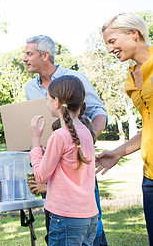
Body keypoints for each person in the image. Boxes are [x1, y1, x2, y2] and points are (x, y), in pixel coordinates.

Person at [23, 34, 108, 245]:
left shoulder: (75, 78)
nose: (24, 58)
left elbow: (41, 174)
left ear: (45, 55)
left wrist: (36, 141)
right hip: (83, 210)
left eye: (28, 53)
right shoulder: (29, 87)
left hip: (66, 210)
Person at [97, 12, 153, 244]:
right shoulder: (132, 76)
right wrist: (119, 152)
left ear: (134, 33)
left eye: (112, 41)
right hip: (150, 176)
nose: (110, 50)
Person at [30, 75, 98, 245]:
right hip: (89, 217)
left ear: (57, 102)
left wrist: (35, 141)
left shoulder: (59, 135)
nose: (46, 103)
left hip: (66, 218)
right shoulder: (87, 132)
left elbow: (40, 176)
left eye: (47, 98)